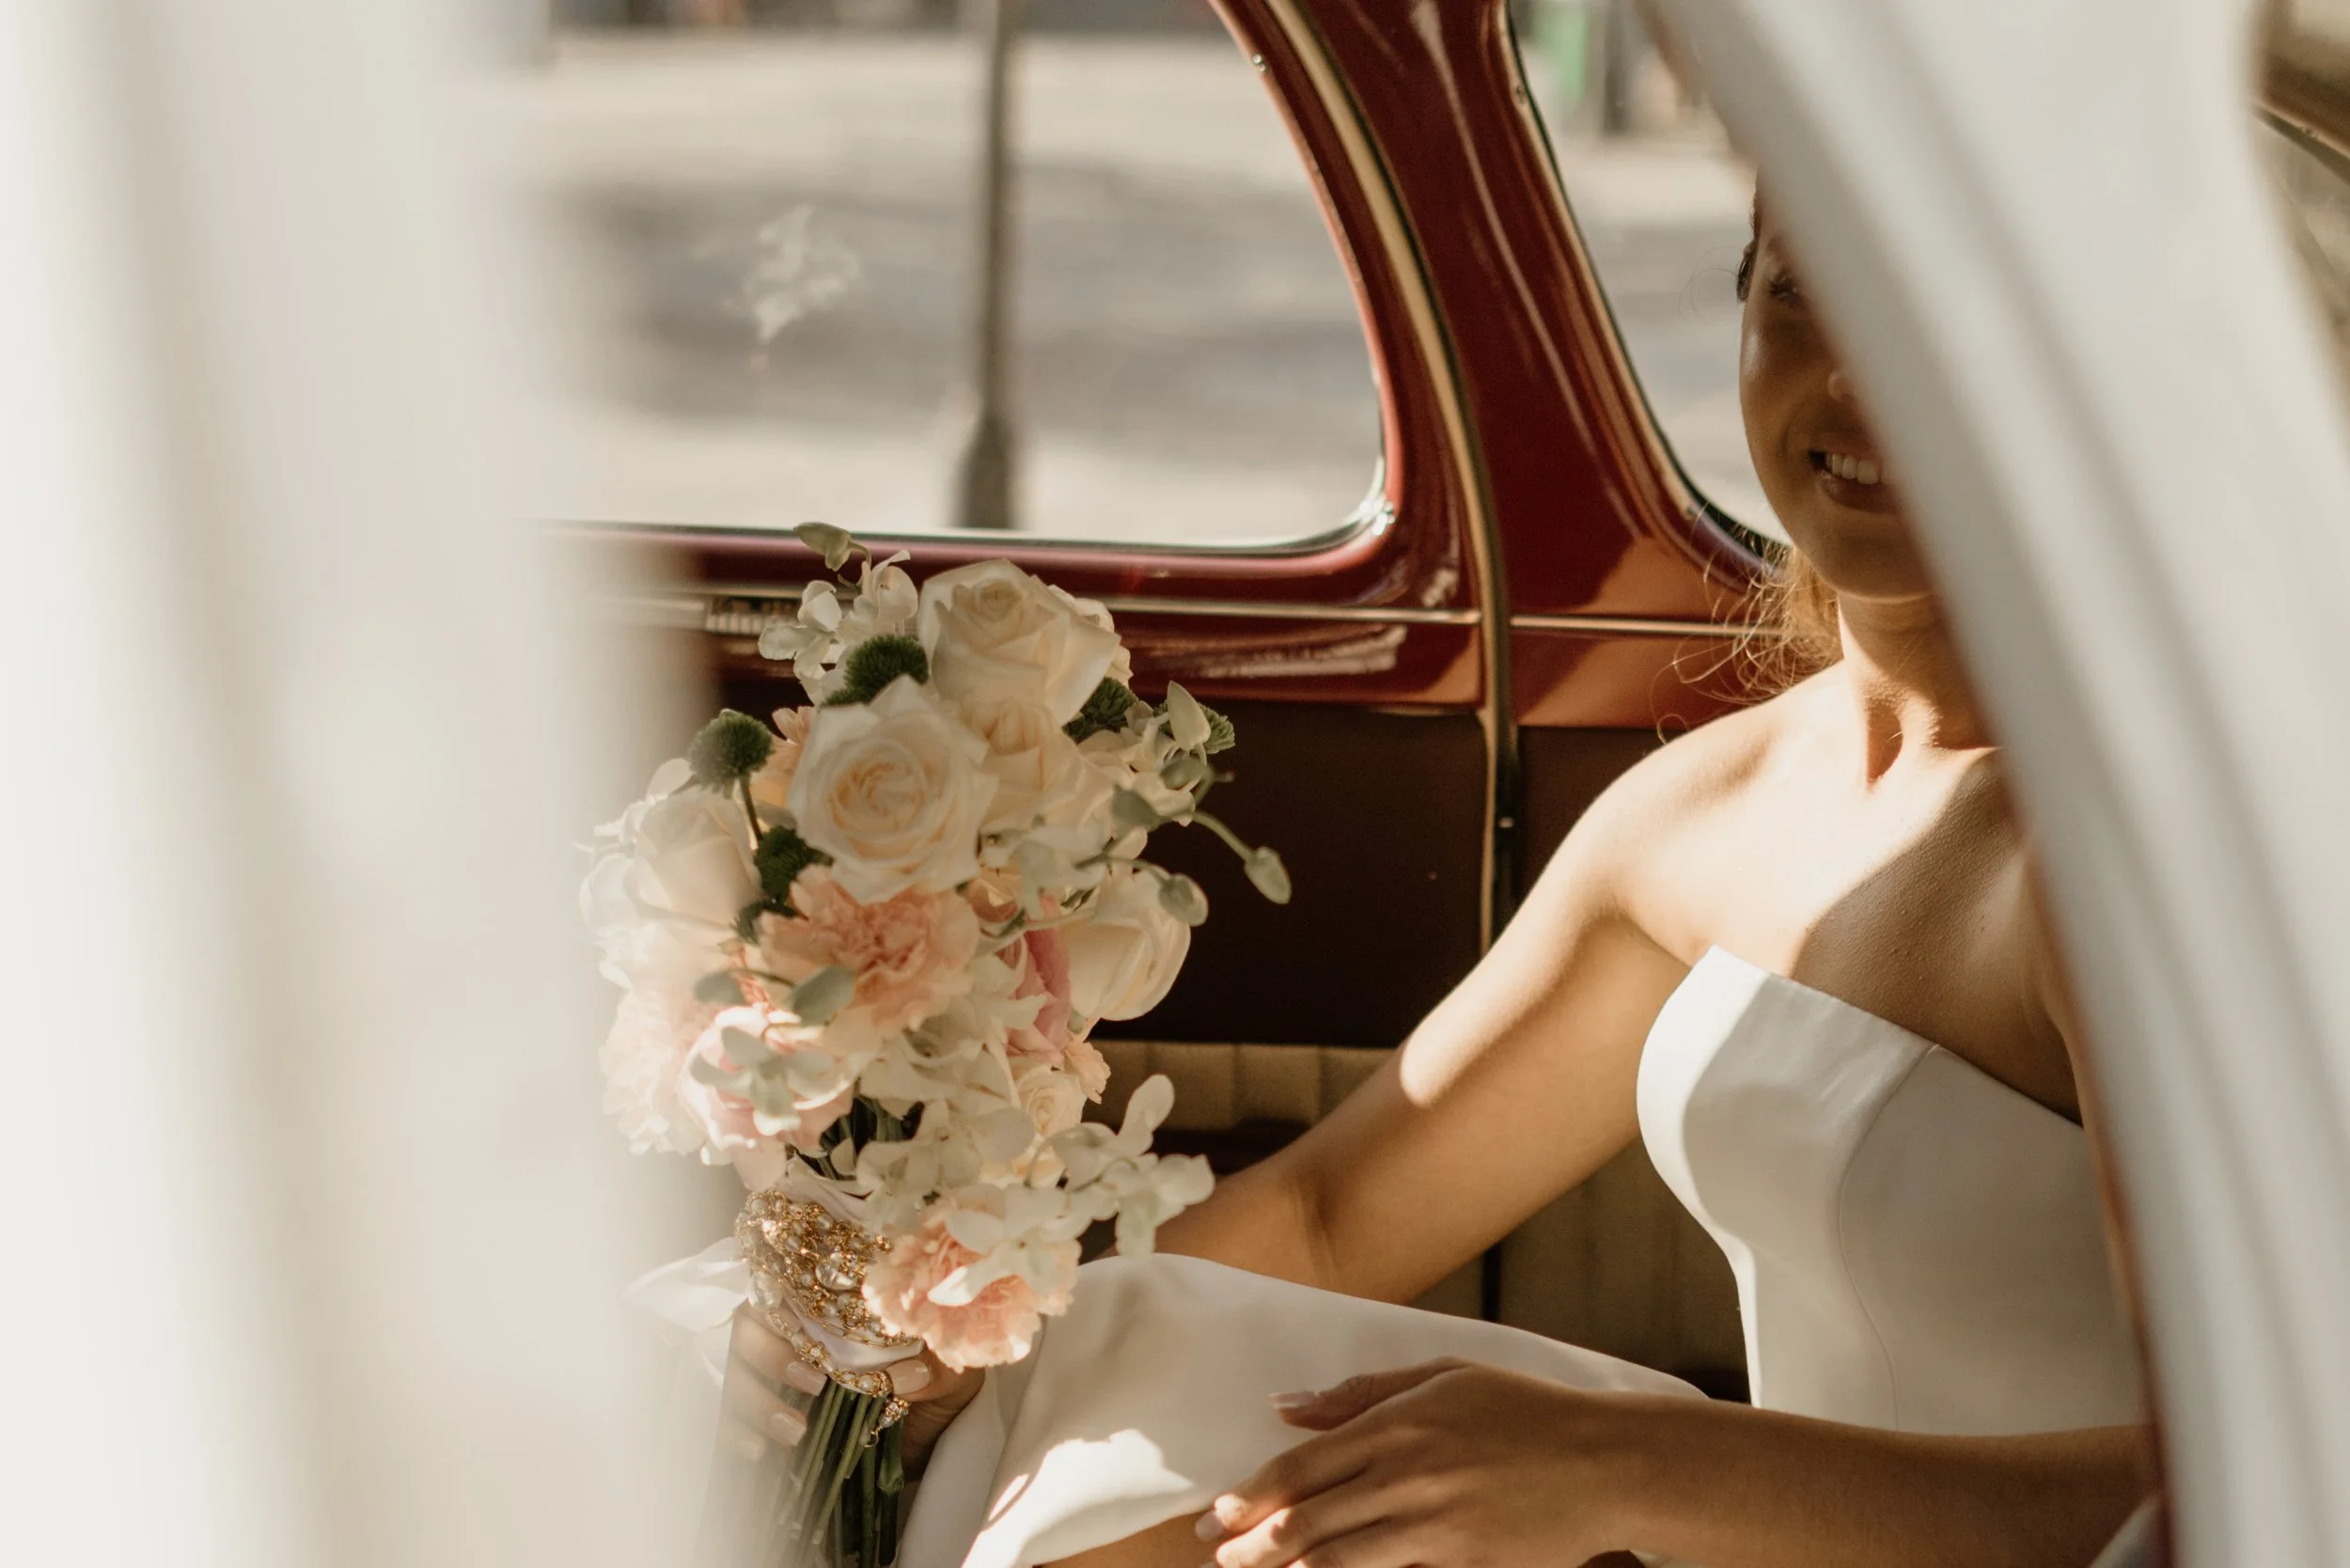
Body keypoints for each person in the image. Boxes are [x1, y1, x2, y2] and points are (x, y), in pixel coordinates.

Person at [714, 195, 2158, 1567]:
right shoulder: (1713, 809)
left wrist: (1629, 1466)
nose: (1850, 381)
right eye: (1800, 294)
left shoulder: (2135, 881)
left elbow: (2269, 1484)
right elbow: (1327, 1226)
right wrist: (962, 1360)